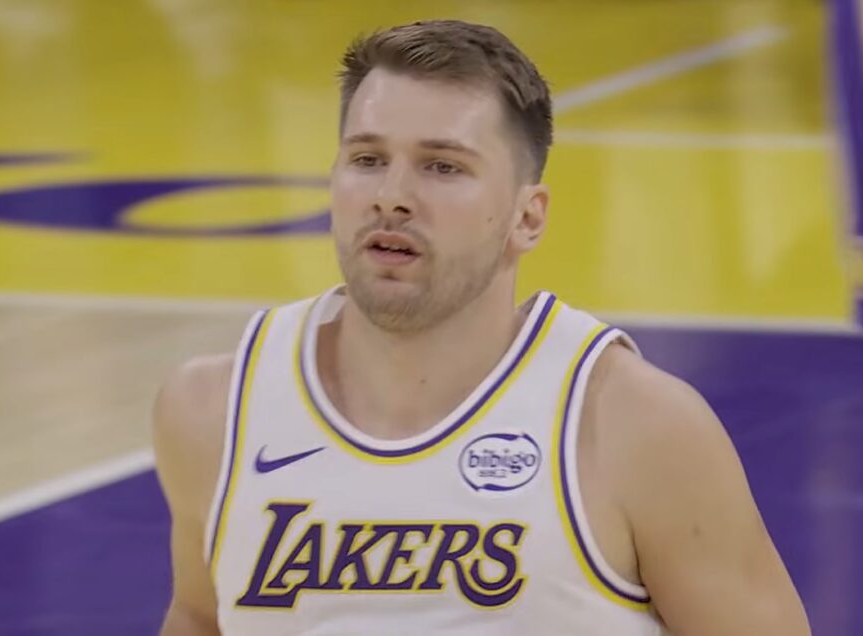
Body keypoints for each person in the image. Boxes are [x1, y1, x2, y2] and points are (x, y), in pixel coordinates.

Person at [152, 19, 811, 635]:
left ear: (528, 218)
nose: (391, 196)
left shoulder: (635, 427)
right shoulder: (214, 412)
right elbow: (199, 617)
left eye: (442, 166)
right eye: (368, 159)